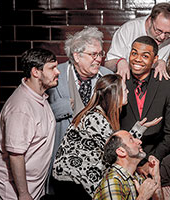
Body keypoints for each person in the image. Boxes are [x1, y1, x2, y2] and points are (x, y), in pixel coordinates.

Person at [52, 74, 161, 198]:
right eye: (124, 89)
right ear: (115, 94)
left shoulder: (100, 115)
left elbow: (118, 145)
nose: (128, 91)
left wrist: (139, 128)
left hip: (76, 178)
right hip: (72, 180)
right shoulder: (95, 118)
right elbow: (115, 150)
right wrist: (136, 168)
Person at [45, 26, 113, 194]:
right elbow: (39, 112)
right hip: (61, 163)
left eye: (100, 54)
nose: (98, 59)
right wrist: (67, 106)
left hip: (95, 164)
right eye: (93, 54)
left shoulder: (107, 77)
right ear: (76, 55)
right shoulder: (55, 74)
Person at [0, 48, 60, 200]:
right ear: (36, 72)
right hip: (14, 192)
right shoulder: (21, 108)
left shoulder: (39, 97)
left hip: (34, 188)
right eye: (52, 68)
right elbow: (16, 155)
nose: (57, 72)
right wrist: (23, 193)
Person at [120, 36, 170, 174]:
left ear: (154, 60)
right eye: (134, 53)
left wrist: (151, 161)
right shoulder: (120, 81)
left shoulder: (168, 86)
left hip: (158, 162)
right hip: (123, 161)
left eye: (145, 56)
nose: (137, 59)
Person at [105, 2, 170, 81]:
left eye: (168, 33)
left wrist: (165, 64)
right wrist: (119, 62)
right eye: (158, 31)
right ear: (149, 20)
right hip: (128, 83)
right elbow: (107, 65)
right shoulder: (128, 29)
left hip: (157, 86)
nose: (162, 37)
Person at [94, 130, 163, 200]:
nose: (139, 141)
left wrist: (156, 176)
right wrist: (143, 197)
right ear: (121, 152)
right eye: (131, 139)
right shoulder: (112, 182)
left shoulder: (137, 177)